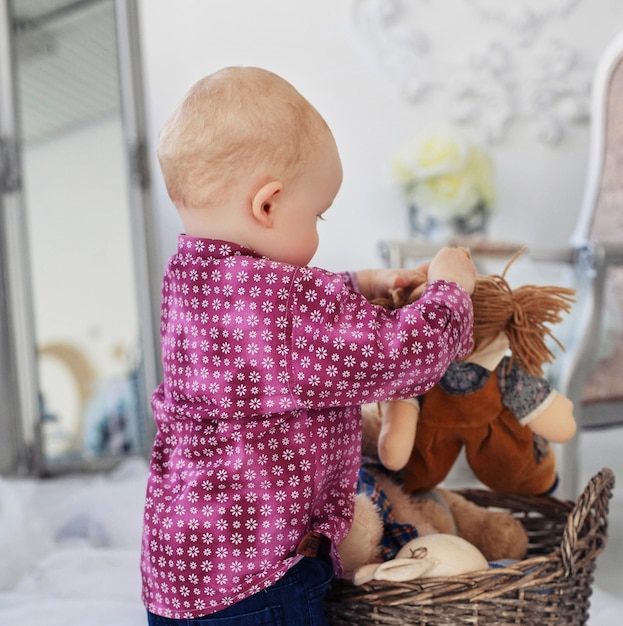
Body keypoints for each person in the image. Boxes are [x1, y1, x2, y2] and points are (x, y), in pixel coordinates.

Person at [141, 66, 476, 625]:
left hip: (178, 582)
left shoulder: (189, 277)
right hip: (261, 582)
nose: (318, 230)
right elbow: (395, 355)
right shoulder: (285, 305)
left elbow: (275, 334)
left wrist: (359, 284)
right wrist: (450, 291)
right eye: (317, 214)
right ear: (267, 206)